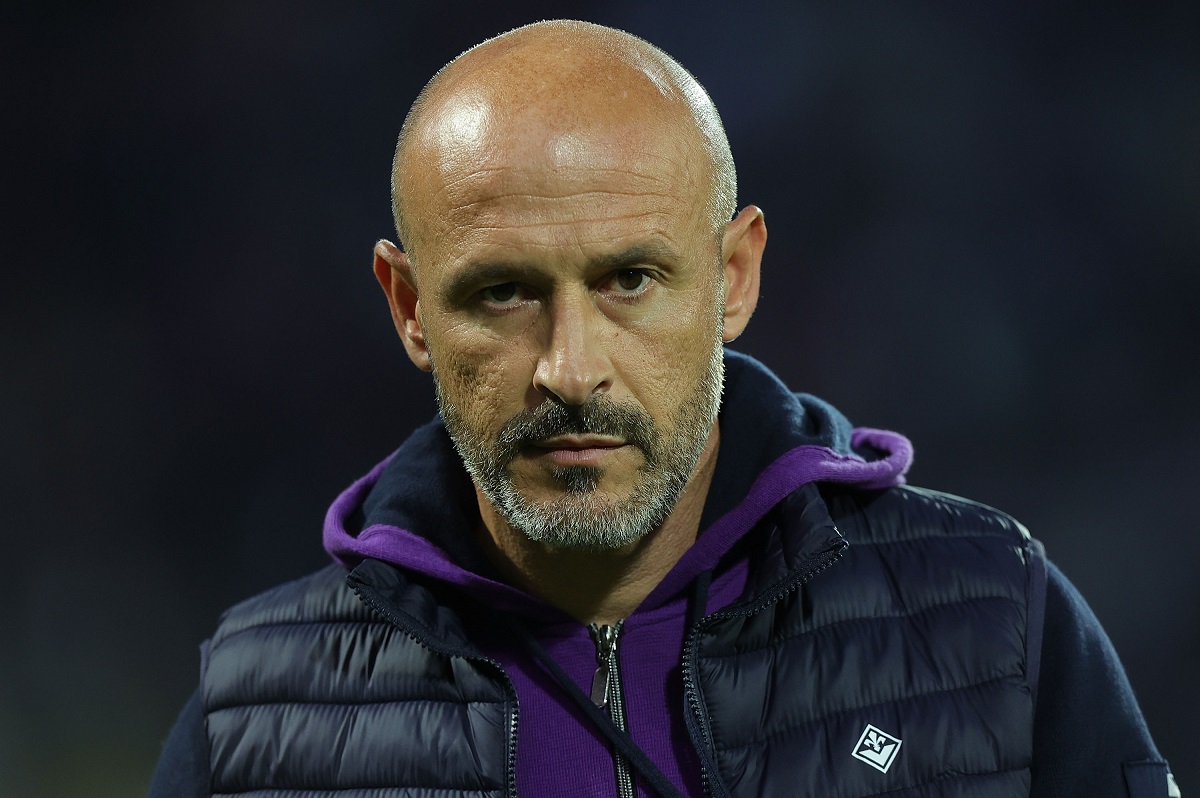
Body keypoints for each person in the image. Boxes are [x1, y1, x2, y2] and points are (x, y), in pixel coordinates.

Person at [148, 19, 1178, 798]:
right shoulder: (257, 716)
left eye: (631, 279)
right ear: (411, 307)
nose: (571, 368)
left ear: (734, 278)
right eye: (503, 292)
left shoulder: (993, 621)